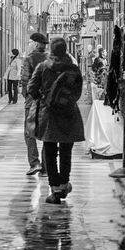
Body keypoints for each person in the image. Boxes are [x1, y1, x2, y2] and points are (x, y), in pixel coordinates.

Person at [27, 36, 84, 204]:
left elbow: (31, 88)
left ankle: (55, 188)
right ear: (65, 49)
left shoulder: (43, 67)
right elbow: (78, 91)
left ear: (51, 49)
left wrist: (44, 99)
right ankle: (64, 183)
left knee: (50, 151)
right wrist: (67, 101)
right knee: (66, 152)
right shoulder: (73, 68)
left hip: (49, 114)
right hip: (69, 114)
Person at [21, 32, 48, 175]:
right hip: (47, 100)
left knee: (29, 132)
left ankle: (34, 163)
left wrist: (26, 95)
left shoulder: (29, 59)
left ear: (36, 44)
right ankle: (45, 167)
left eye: (30, 42)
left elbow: (25, 80)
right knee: (46, 134)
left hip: (32, 100)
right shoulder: (51, 59)